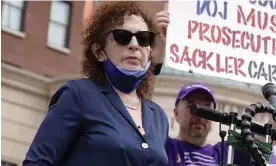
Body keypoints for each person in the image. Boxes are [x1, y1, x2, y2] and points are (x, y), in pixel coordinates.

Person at [23, 2, 169, 166]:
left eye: (143, 39)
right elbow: (37, 162)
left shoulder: (159, 117)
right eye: (122, 36)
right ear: (99, 52)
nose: (134, 45)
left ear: (149, 52)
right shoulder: (78, 95)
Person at [165, 82, 252, 166]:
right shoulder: (164, 147)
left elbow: (260, 138)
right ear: (176, 113)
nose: (200, 115)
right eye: (192, 107)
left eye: (207, 109)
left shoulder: (226, 152)